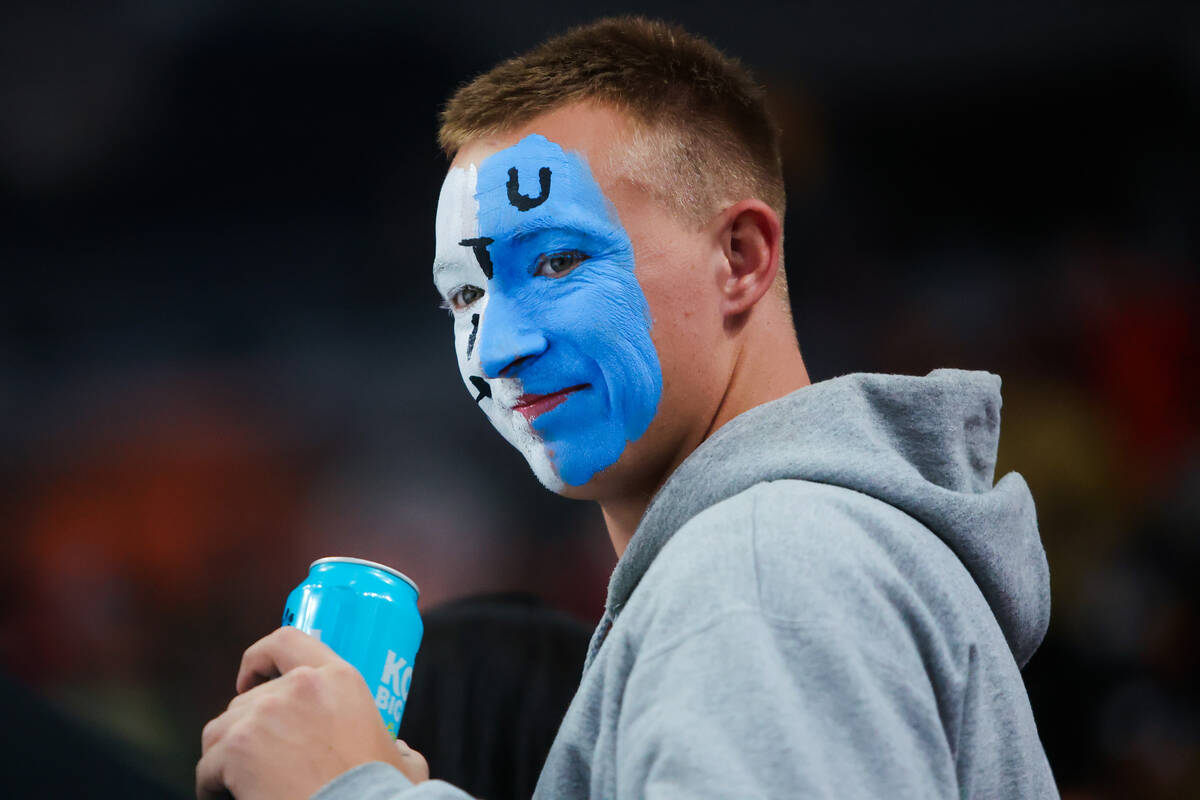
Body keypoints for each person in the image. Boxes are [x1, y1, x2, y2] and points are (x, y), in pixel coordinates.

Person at [197, 16, 1059, 799]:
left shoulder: (761, 565)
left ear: (742, 256)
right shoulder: (796, 555)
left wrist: (351, 794)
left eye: (557, 264)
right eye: (462, 298)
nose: (496, 349)